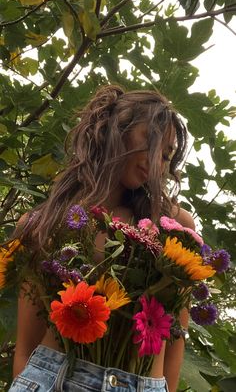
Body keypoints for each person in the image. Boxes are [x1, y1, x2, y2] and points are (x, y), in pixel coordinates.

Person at [9, 84, 195, 392]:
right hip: (50, 380)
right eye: (149, 140)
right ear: (114, 130)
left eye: (166, 155)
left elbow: (175, 337)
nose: (156, 160)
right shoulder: (45, 223)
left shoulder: (173, 226)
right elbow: (27, 349)